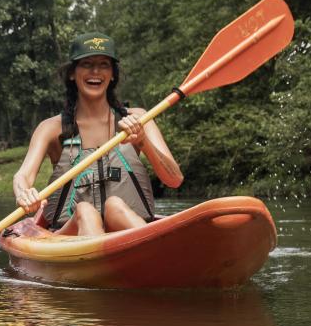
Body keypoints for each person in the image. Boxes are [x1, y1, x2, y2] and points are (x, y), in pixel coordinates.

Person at [11, 32, 183, 236]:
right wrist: (24, 193)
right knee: (85, 211)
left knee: (114, 207)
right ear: (72, 73)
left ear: (113, 75)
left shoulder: (139, 118)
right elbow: (23, 176)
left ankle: (150, 246)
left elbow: (174, 180)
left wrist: (143, 141)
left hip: (128, 230)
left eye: (104, 64)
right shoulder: (52, 128)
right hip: (70, 233)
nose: (95, 71)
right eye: (86, 64)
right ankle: (95, 256)